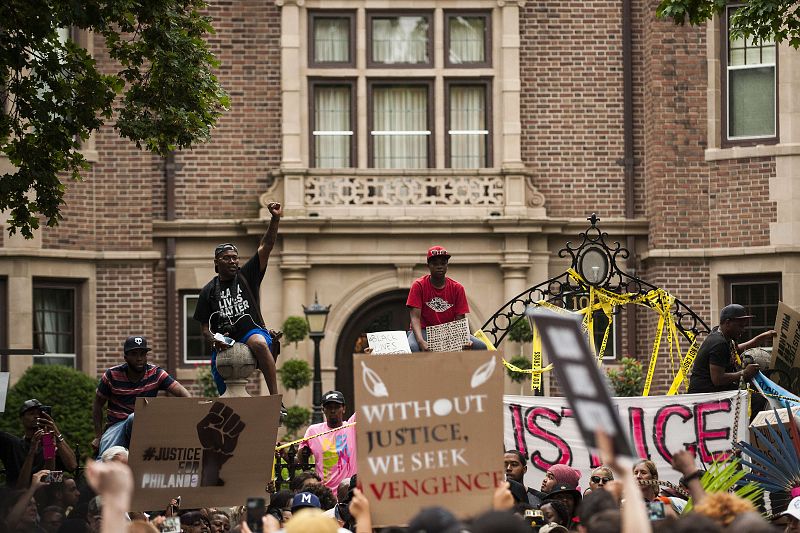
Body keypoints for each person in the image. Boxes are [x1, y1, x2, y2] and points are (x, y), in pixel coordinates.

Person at [193, 202, 283, 397]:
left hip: (251, 331)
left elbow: (266, 245)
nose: (233, 261)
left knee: (258, 343)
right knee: (226, 394)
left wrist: (275, 218)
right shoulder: (208, 290)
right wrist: (216, 340)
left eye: (235, 257)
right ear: (217, 263)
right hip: (225, 341)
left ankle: (275, 398)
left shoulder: (247, 275)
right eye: (227, 258)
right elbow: (204, 329)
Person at [92, 336, 190, 457]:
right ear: (125, 357)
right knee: (105, 459)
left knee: (136, 417)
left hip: (145, 425)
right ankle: (101, 464)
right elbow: (97, 405)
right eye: (134, 354)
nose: (139, 359)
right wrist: (98, 436)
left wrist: (190, 419)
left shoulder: (156, 373)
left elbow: (182, 393)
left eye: (143, 354)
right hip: (116, 426)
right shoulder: (112, 375)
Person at [406, 246, 487, 352]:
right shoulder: (419, 285)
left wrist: (463, 339)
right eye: (435, 264)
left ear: (447, 265)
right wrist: (421, 341)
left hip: (447, 332)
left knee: (480, 346)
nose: (439, 267)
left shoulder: (457, 288)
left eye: (443, 263)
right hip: (423, 331)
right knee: (412, 347)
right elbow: (415, 318)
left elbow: (460, 320)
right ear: (428, 266)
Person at [688, 304, 775, 396]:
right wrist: (745, 373)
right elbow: (718, 379)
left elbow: (736, 350)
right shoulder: (718, 343)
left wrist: (760, 338)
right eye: (740, 326)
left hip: (716, 394)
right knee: (760, 400)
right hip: (705, 398)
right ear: (728, 323)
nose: (743, 330)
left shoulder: (721, 335)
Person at [0, 399, 77, 488]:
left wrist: (55, 432)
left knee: (67, 481)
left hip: (46, 496)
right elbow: (21, 486)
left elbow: (72, 466)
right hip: (20, 496)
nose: (36, 416)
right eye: (31, 413)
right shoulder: (14, 445)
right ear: (22, 418)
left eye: (40, 414)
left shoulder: (49, 441)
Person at [296, 391, 357, 491]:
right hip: (325, 495)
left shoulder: (352, 426)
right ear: (323, 410)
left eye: (337, 407)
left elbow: (368, 404)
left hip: (349, 493)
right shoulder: (313, 431)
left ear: (344, 409)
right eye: (329, 407)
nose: (333, 410)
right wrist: (284, 455)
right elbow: (299, 461)